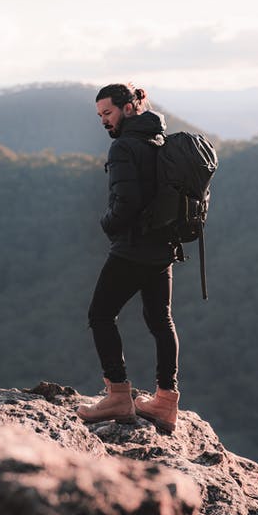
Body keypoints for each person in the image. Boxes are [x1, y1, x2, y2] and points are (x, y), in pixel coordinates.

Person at [77, 82, 180, 433]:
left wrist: (107, 224)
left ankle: (118, 394)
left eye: (108, 113)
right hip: (163, 247)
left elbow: (126, 204)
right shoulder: (159, 139)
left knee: (101, 314)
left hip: (133, 248)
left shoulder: (124, 147)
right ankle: (165, 403)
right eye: (99, 116)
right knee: (161, 322)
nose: (104, 121)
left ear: (128, 107)